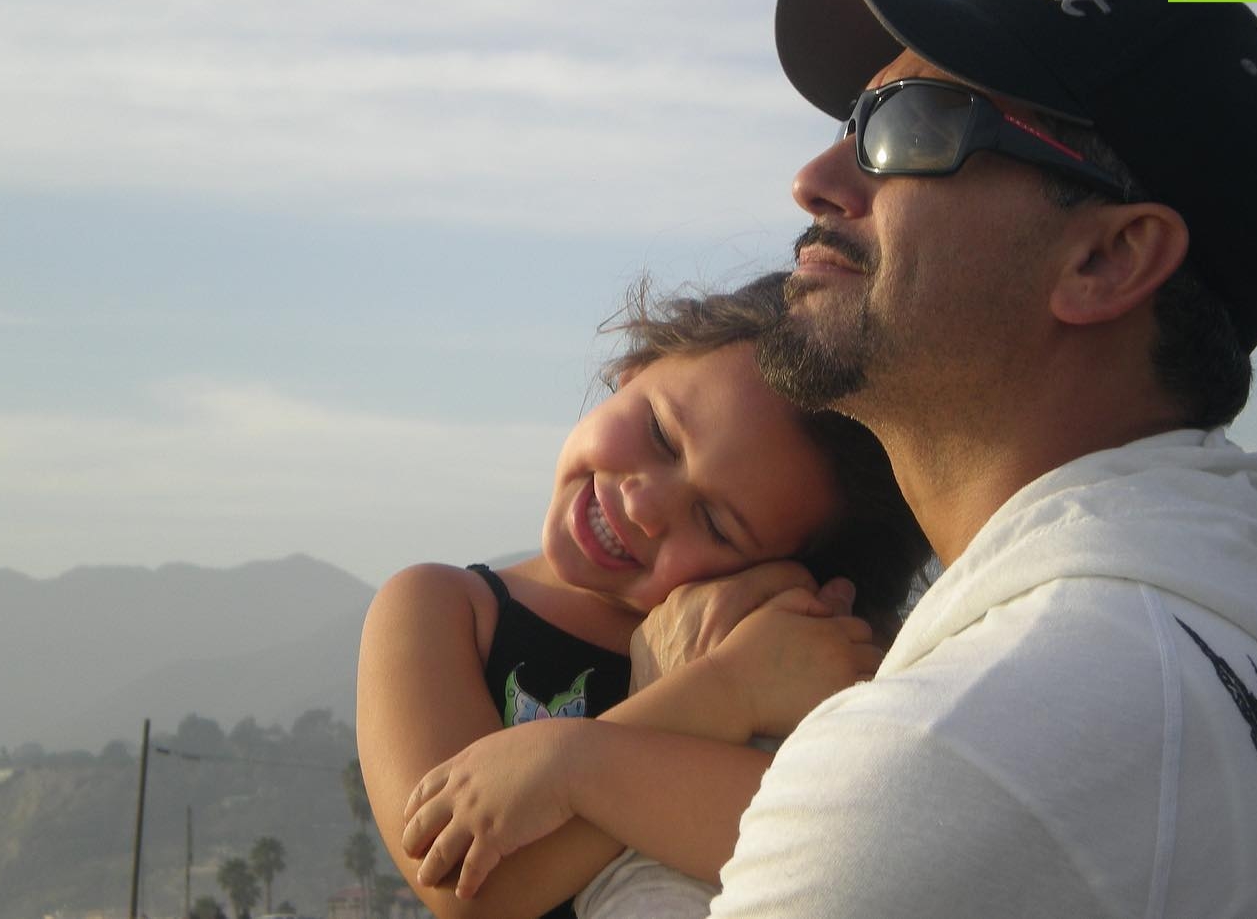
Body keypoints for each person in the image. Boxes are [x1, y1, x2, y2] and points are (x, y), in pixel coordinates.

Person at [704, 0, 1257, 916]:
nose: (813, 181)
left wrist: (613, 748)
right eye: (851, 122)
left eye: (910, 125)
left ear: (1108, 258)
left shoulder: (955, 753)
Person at [357, 272, 929, 919]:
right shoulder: (441, 611)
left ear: (783, 574)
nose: (644, 505)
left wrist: (580, 765)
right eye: (661, 433)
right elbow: (465, 885)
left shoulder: (794, 665)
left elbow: (832, 846)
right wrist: (719, 694)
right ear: (635, 367)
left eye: (715, 524)